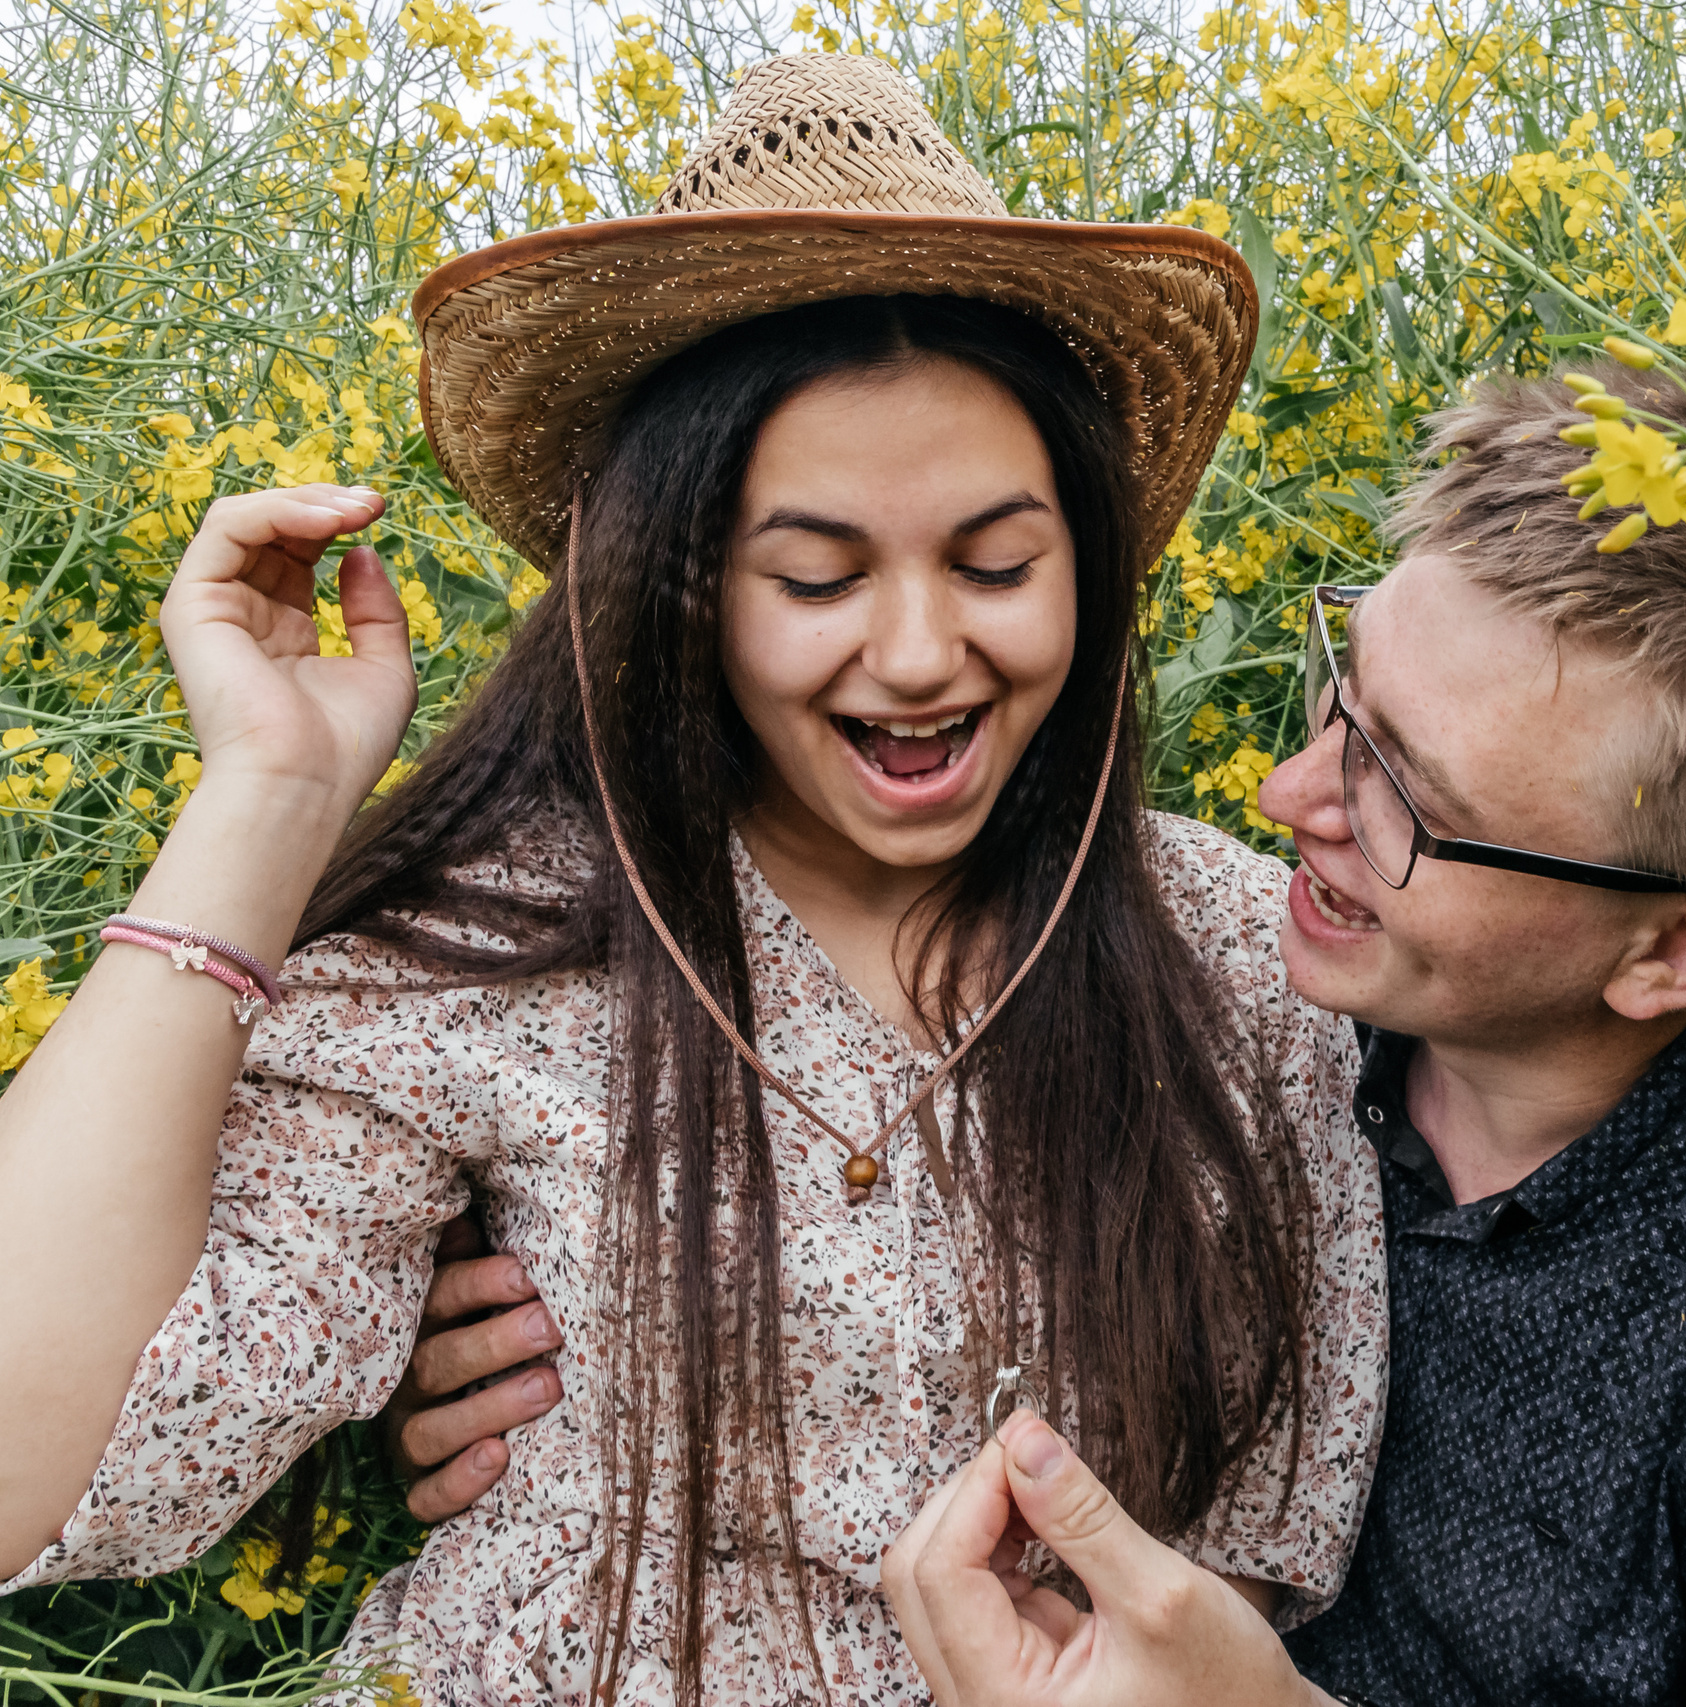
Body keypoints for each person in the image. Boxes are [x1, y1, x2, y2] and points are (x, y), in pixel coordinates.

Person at [396, 363, 1686, 1704]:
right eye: (1336, 693)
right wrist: (587, 1359)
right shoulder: (1215, 1002)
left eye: (1404, 804)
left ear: (1672, 952)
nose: (1291, 793)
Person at [0, 55, 1386, 1705]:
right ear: (678, 588)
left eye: (999, 563)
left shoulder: (1235, 950)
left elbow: (1268, 1561)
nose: (922, 651)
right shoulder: (496, 945)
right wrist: (268, 796)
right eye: (815, 574)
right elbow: (42, 1468)